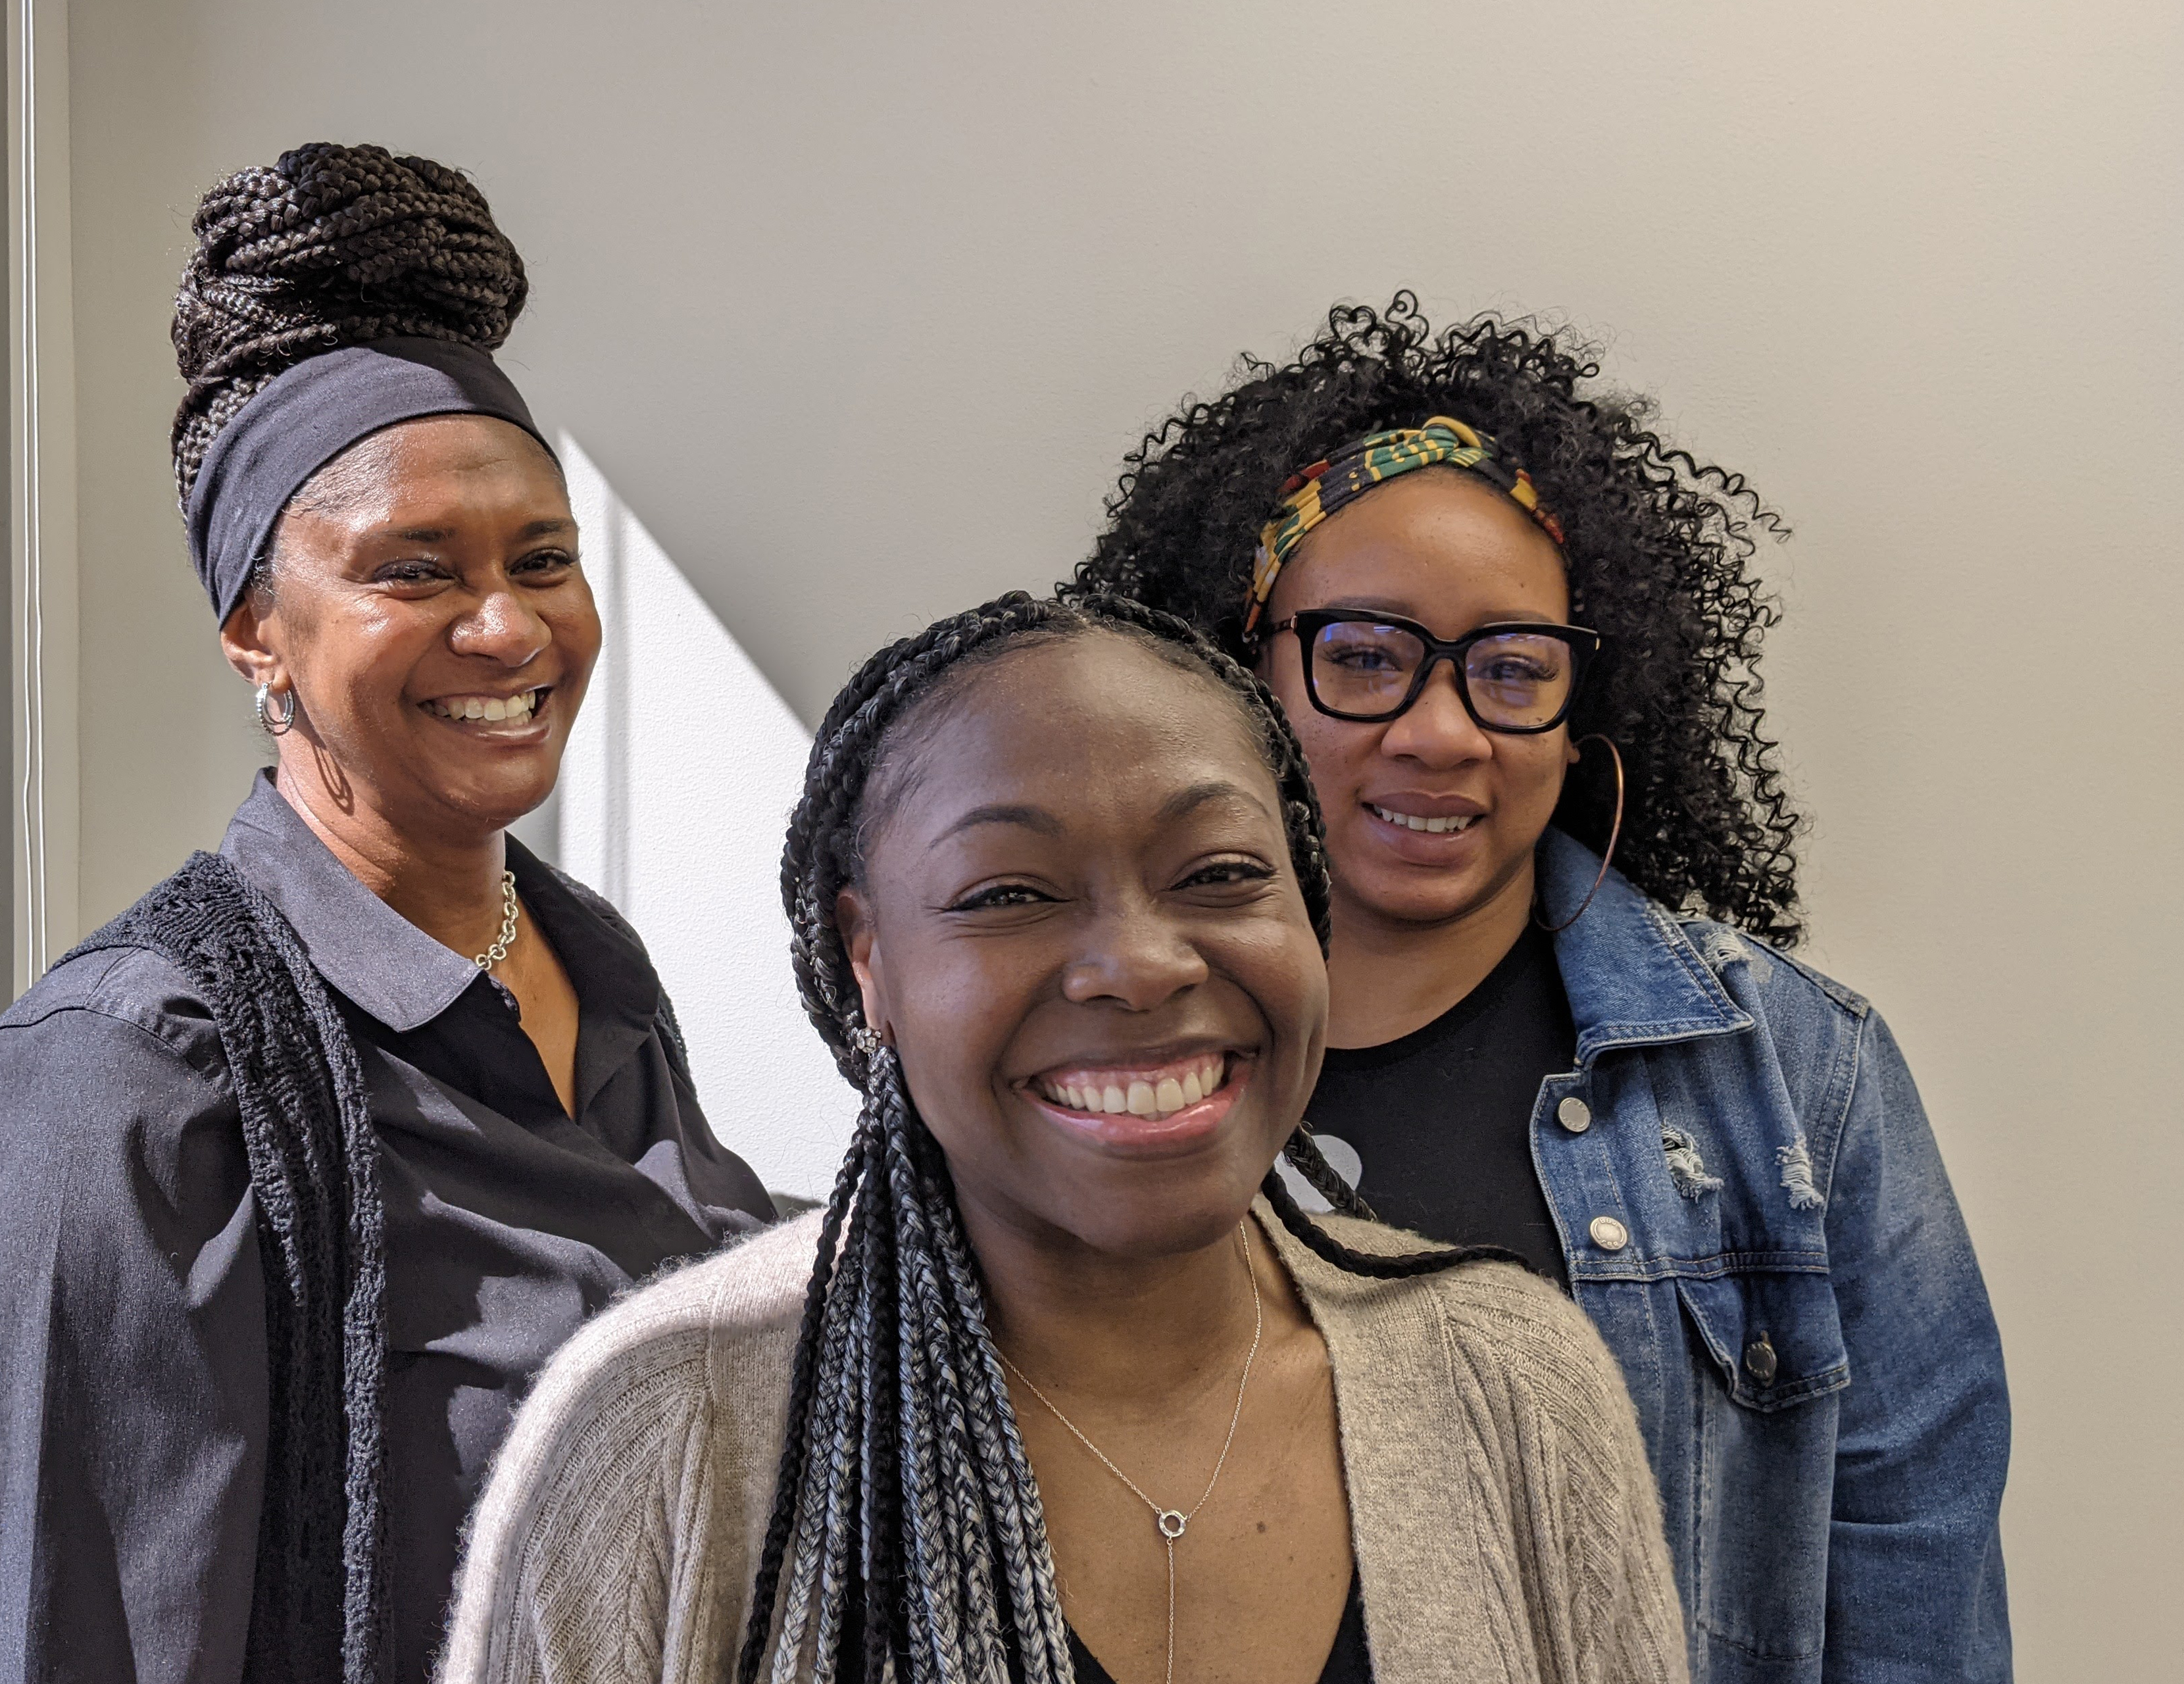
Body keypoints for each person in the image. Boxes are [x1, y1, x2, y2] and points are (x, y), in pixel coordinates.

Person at [0, 142, 773, 1684]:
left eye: (543, 558)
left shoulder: (596, 976)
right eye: (410, 567)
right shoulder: (125, 1087)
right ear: (256, 631)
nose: (507, 625)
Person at [438, 593, 1687, 1684]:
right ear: (869, 959)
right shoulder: (665, 1429)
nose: (1141, 967)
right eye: (1011, 895)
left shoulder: (1513, 1385)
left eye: (1218, 874)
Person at [1070, 294, 2009, 1683]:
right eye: (1366, 656)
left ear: (1579, 719)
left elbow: (1914, 1616)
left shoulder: (1796, 1078)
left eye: (1511, 669)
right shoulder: (1079, 1036)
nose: (1441, 731)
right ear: (1235, 669)